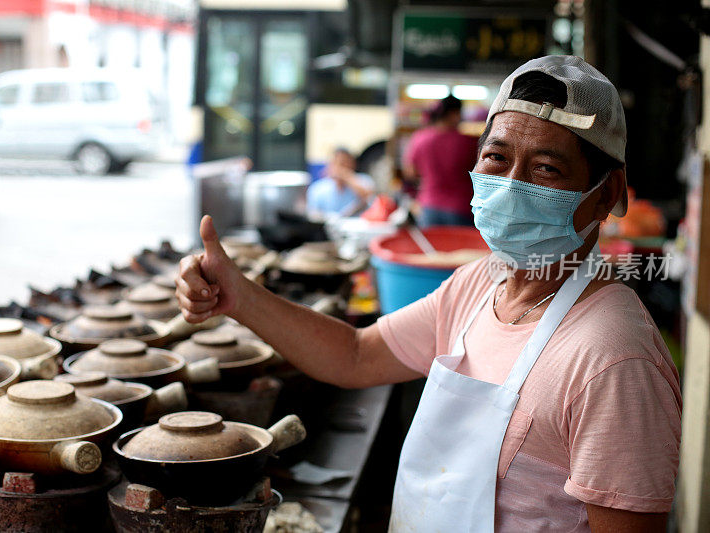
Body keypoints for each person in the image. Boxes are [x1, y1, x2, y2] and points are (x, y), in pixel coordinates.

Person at [177, 56, 680, 532]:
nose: (510, 186)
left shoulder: (615, 360)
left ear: (609, 193)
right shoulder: (480, 284)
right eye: (496, 158)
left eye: (546, 169)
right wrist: (239, 297)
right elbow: (355, 356)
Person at [403, 95, 478, 227]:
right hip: (461, 208)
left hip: (429, 207)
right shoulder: (469, 142)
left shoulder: (419, 138)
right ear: (454, 114)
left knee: (433, 247)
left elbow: (410, 173)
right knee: (461, 247)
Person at [306, 148, 375, 219]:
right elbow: (313, 213)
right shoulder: (318, 187)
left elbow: (369, 196)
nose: (339, 168)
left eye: (343, 164)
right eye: (335, 163)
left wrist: (346, 177)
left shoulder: (363, 180)